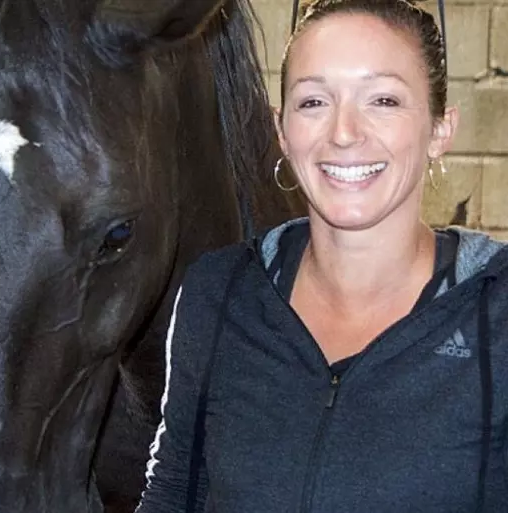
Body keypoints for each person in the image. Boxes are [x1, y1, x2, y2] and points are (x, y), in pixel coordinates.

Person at [135, 0, 508, 511]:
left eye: (383, 100)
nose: (344, 132)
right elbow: (173, 489)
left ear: (441, 130)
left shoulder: (497, 311)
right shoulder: (220, 292)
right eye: (313, 102)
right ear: (281, 129)